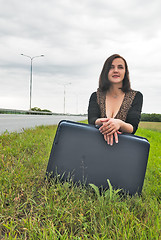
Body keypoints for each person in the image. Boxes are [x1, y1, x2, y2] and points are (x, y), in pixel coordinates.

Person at [88, 54, 143, 146]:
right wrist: (109, 124)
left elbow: (132, 127)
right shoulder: (95, 96)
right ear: (106, 72)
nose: (116, 70)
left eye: (120, 67)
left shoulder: (136, 96)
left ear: (125, 72)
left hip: (123, 149)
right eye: (111, 67)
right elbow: (92, 120)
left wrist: (119, 123)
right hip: (96, 146)